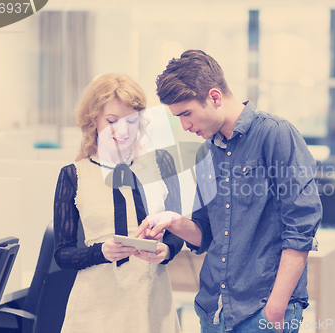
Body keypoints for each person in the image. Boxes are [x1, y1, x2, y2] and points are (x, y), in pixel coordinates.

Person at [135, 50, 321, 333]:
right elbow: (206, 233)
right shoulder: (206, 154)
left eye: (187, 114)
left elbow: (301, 227)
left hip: (263, 310)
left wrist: (276, 307)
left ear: (214, 97)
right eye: (178, 118)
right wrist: (171, 220)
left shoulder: (276, 134)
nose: (184, 126)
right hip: (214, 310)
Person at [53, 73, 184, 333]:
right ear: (94, 120)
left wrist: (166, 251)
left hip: (152, 305)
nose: (122, 130)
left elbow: (177, 233)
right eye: (112, 121)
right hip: (95, 309)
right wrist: (100, 252)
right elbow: (62, 255)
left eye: (131, 120)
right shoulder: (73, 175)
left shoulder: (161, 165)